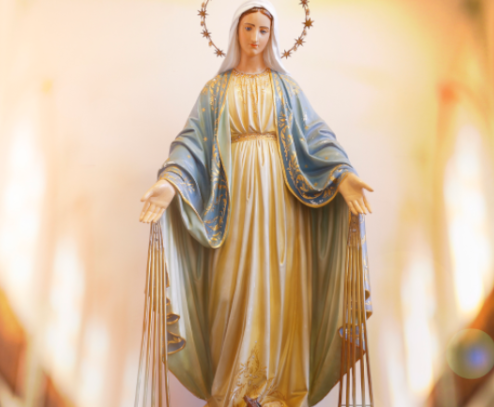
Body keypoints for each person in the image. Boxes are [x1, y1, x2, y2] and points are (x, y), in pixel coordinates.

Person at [138, 2, 373, 406]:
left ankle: (281, 388)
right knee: (229, 287)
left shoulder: (286, 88)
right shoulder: (215, 91)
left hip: (283, 200)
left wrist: (342, 175)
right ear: (236, 31)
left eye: (263, 30)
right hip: (232, 199)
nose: (255, 37)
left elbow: (316, 136)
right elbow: (191, 144)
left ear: (273, 34)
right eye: (249, 28)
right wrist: (170, 182)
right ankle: (232, 387)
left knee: (282, 283)